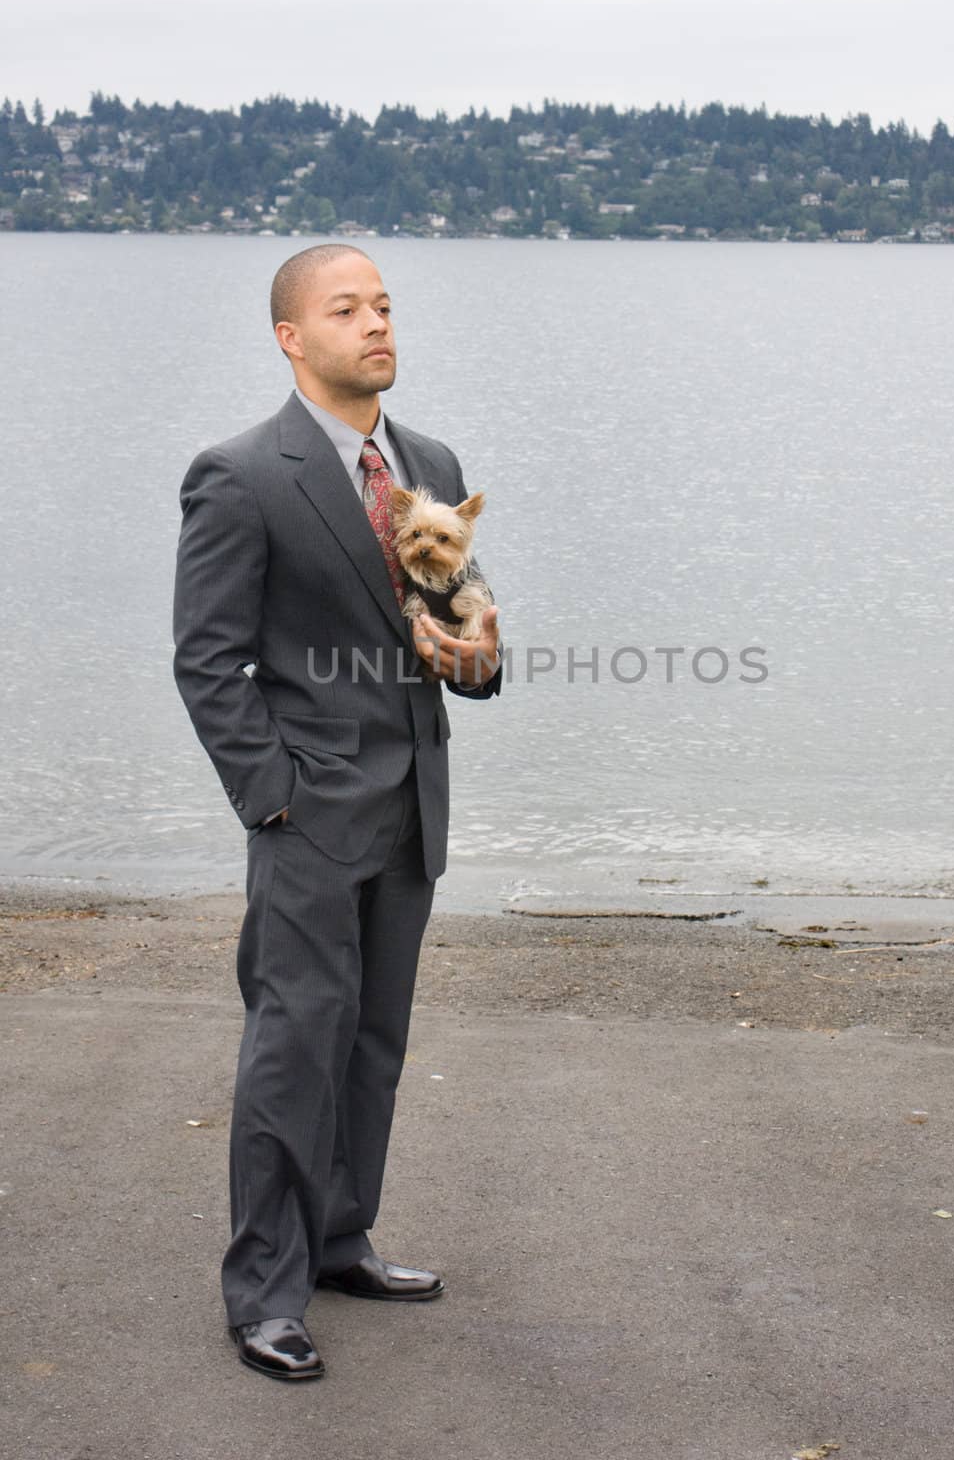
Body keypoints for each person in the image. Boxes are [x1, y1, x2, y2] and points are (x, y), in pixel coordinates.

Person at [172, 243, 502, 1381]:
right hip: (306, 819)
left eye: (385, 305)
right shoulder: (240, 473)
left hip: (412, 808)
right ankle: (263, 1290)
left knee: (371, 1044)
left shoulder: (433, 463)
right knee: (290, 1050)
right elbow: (208, 664)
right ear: (289, 337)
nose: (376, 324)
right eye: (346, 308)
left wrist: (478, 663)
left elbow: (451, 629)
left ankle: (339, 1238)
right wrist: (274, 802)